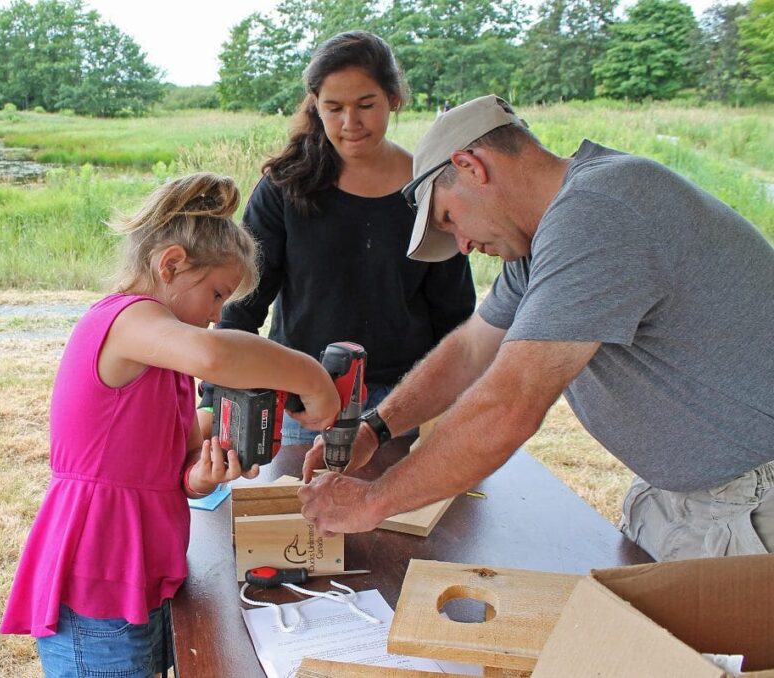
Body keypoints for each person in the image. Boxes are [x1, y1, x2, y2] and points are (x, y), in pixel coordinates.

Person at [298, 94, 774, 562]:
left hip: (753, 500)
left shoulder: (597, 212)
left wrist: (371, 502)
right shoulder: (543, 239)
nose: (462, 245)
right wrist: (376, 429)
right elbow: (468, 352)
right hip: (694, 496)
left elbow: (508, 405)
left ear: (470, 166)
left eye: (449, 218)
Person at [0, 173, 339, 677]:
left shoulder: (163, 362)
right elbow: (214, 354)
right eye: (217, 294)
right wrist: (312, 377)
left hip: (145, 573)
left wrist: (201, 475)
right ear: (172, 264)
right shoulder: (123, 320)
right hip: (98, 579)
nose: (218, 314)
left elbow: (177, 464)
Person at [197, 31, 475, 446]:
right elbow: (244, 300)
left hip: (405, 401)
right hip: (302, 402)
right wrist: (214, 398)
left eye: (366, 105)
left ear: (394, 98)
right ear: (316, 105)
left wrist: (456, 402)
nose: (351, 124)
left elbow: (453, 313)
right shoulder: (285, 187)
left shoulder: (429, 189)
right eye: (334, 108)